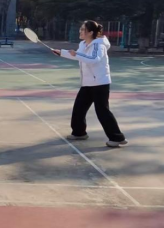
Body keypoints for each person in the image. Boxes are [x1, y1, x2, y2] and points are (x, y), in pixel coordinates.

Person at [52, 20, 128, 148]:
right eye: (81, 29)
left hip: (100, 83)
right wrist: (61, 53)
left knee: (102, 111)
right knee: (79, 109)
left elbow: (94, 59)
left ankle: (117, 138)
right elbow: (78, 56)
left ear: (91, 32)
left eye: (83, 29)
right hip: (87, 83)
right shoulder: (83, 44)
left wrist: (76, 54)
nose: (80, 31)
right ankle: (79, 133)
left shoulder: (99, 45)